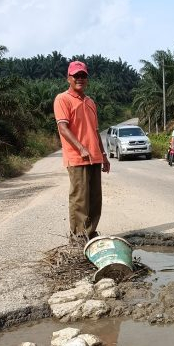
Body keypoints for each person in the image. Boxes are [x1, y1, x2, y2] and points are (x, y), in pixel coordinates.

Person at [53, 60, 110, 242]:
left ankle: (90, 235)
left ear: (87, 79)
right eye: (76, 75)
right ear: (68, 78)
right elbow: (63, 128)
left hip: (94, 156)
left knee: (95, 200)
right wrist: (80, 147)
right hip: (77, 157)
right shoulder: (63, 99)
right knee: (80, 199)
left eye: (83, 75)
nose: (80, 79)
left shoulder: (90, 102)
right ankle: (78, 237)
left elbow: (95, 131)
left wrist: (103, 155)